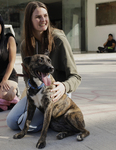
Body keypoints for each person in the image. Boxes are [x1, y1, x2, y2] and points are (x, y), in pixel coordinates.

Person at [6, 1, 81, 132]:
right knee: (12, 122)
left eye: (45, 16)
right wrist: (31, 93)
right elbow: (27, 75)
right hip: (37, 92)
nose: (43, 20)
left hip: (57, 94)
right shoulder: (25, 45)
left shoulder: (59, 39)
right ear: (29, 21)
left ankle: (57, 118)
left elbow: (75, 76)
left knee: (26, 125)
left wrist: (64, 87)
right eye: (38, 17)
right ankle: (50, 119)